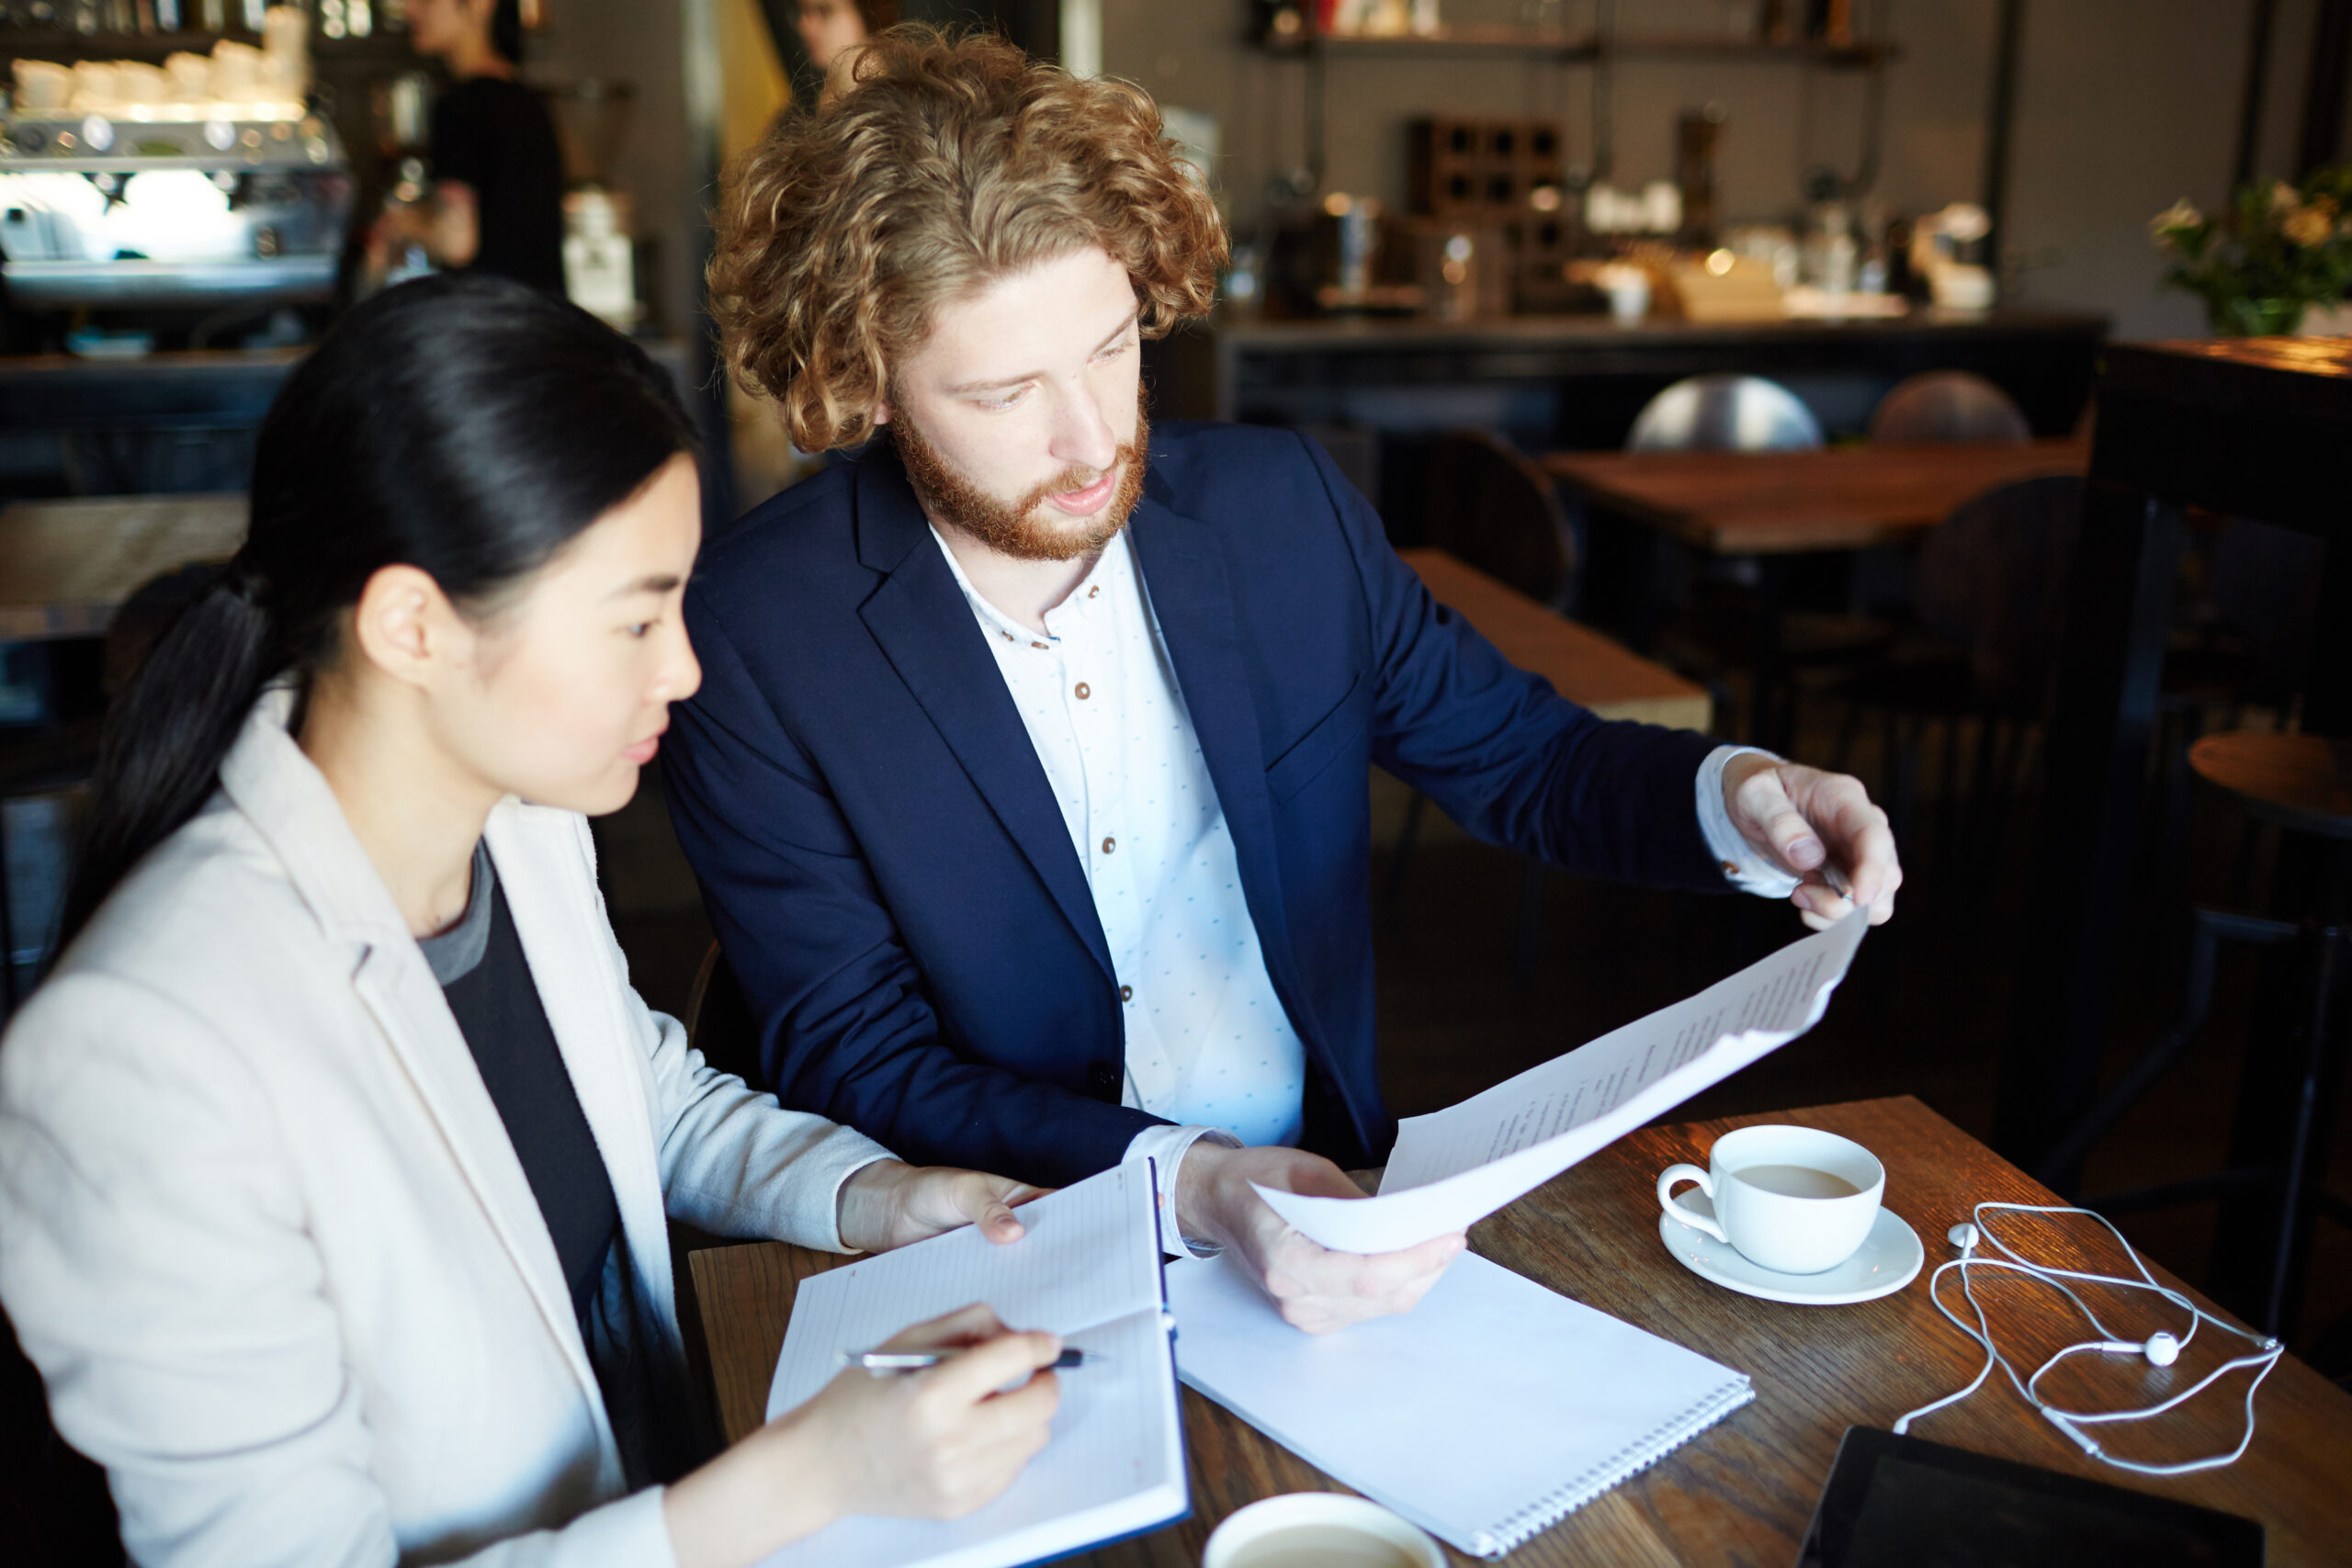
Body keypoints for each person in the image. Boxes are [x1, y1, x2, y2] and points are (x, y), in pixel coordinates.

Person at [677, 28, 1903, 1336]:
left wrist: (1749, 795)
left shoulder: (1282, 511)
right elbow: (858, 1055)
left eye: (1110, 347)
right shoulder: (759, 633)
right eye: (1003, 392)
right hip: (997, 1250)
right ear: (864, 380)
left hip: (1327, 1202)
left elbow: (1526, 757)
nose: (1094, 440)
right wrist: (1193, 1183)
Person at [0, 275, 1064, 1567]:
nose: (682, 667)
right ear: (413, 625)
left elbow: (644, 1096)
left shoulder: (516, 816)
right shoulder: (140, 1050)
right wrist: (803, 1479)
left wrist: (884, 1197)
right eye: (635, 617)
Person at [384, 0, 567, 293]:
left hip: (490, 323)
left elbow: (456, 243)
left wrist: (401, 226)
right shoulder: (528, 102)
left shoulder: (462, 105)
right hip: (540, 323)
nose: (409, 10)